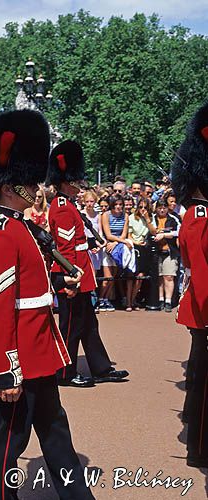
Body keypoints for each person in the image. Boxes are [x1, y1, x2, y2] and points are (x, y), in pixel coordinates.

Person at [0, 109, 95, 500]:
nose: (35, 186)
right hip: (20, 359)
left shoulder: (22, 228)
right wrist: (6, 372)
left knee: (56, 431)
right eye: (28, 179)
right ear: (10, 186)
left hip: (40, 351)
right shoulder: (0, 234)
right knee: (9, 444)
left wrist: (62, 281)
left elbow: (31, 286)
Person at [47, 140, 129, 387]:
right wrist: (70, 278)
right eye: (76, 181)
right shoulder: (61, 207)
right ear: (66, 181)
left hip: (80, 271)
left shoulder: (69, 205)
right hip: (72, 273)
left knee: (89, 324)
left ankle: (101, 368)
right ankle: (64, 373)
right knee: (71, 326)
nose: (80, 186)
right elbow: (65, 248)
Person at [172, 101, 208, 469]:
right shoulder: (200, 216)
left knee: (199, 379)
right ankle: (199, 448)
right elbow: (201, 270)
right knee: (202, 386)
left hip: (202, 310)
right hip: (206, 309)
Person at [100, 194, 131, 311]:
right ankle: (101, 299)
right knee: (107, 277)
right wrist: (114, 243)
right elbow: (108, 234)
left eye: (120, 204)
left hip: (118, 247)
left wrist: (116, 243)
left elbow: (123, 233)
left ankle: (107, 300)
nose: (118, 207)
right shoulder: (105, 215)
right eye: (116, 204)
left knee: (113, 277)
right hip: (107, 247)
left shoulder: (126, 216)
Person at [127, 197, 156, 310]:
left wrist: (147, 218)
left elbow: (154, 232)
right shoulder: (131, 218)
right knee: (130, 277)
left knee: (140, 277)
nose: (142, 209)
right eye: (140, 207)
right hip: (133, 247)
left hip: (144, 249)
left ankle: (133, 300)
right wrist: (136, 242)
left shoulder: (150, 218)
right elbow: (128, 236)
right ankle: (128, 302)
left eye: (145, 207)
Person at [152, 199, 180, 312]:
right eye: (160, 207)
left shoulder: (173, 219)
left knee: (169, 276)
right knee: (159, 277)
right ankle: (161, 299)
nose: (162, 210)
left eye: (164, 207)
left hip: (169, 252)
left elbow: (179, 232)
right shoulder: (152, 219)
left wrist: (164, 235)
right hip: (156, 252)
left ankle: (168, 301)